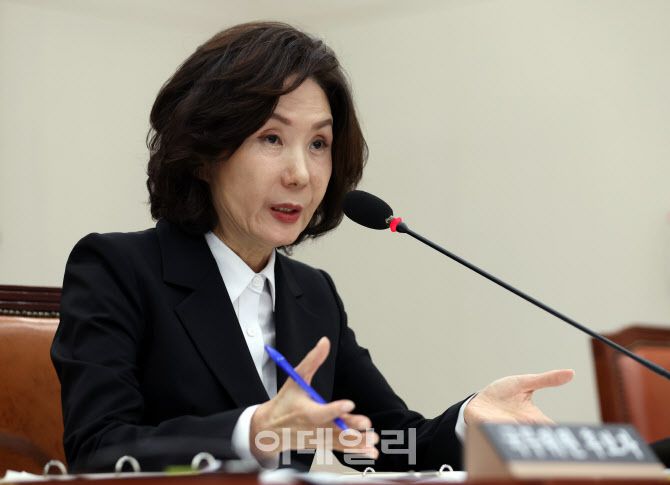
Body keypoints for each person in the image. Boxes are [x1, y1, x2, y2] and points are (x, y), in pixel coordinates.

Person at [51, 21, 573, 473]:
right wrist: (253, 431)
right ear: (205, 153)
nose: (301, 174)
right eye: (271, 138)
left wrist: (467, 421)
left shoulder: (312, 295)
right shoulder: (118, 270)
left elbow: (384, 443)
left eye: (319, 144)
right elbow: (98, 450)